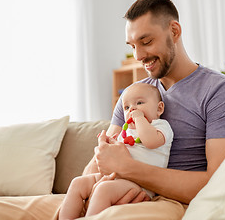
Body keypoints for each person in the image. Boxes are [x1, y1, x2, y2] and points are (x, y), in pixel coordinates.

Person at [82, 0, 225, 218]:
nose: (138, 55)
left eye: (146, 42)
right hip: (112, 195)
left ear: (174, 31)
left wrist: (130, 170)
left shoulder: (219, 90)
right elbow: (95, 166)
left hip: (173, 203)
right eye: (132, 46)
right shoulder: (133, 96)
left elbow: (218, 183)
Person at [58, 83, 173, 219]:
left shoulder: (161, 126)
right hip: (115, 176)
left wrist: (139, 118)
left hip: (140, 185)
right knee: (78, 182)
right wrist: (108, 143)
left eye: (139, 103)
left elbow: (150, 141)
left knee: (103, 190)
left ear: (159, 108)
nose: (132, 109)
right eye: (126, 107)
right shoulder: (127, 131)